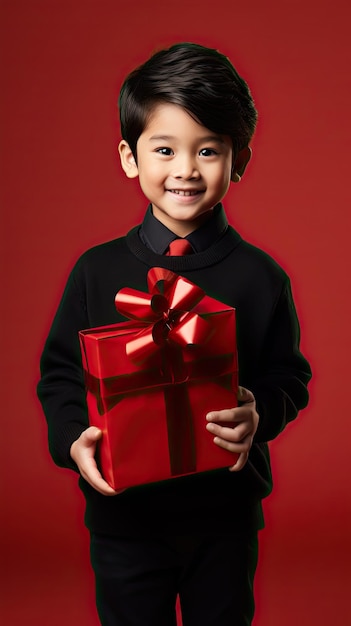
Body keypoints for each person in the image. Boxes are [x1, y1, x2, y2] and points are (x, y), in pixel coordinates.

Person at [37, 42, 312, 626]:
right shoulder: (95, 270)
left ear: (238, 160)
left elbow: (289, 374)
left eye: (208, 150)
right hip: (124, 517)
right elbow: (60, 371)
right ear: (130, 157)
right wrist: (71, 440)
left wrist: (259, 411)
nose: (186, 169)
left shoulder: (261, 276)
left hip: (224, 515)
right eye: (165, 149)